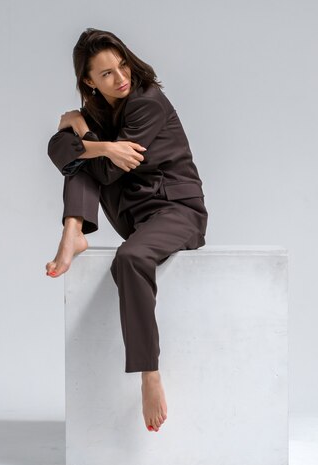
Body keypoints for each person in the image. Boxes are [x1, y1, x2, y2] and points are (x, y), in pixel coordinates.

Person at [46, 28, 209, 433]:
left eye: (121, 66)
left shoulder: (148, 102)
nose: (120, 78)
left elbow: (104, 168)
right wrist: (97, 141)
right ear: (89, 81)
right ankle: (74, 231)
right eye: (105, 74)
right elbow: (58, 148)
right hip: (134, 215)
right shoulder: (100, 112)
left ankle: (149, 374)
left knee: (131, 258)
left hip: (177, 211)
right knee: (75, 153)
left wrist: (85, 135)